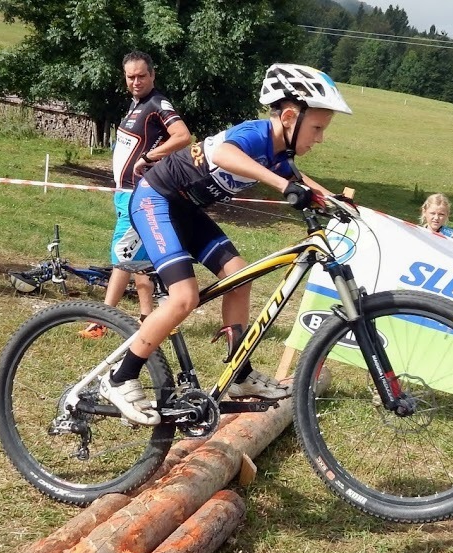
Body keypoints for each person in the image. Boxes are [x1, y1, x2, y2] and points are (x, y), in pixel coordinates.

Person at [99, 63, 352, 425]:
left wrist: (333, 200)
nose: (320, 138)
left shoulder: (279, 153)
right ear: (289, 117)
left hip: (183, 210)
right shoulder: (255, 134)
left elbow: (299, 179)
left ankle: (239, 372)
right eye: (317, 128)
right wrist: (284, 187)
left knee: (240, 276)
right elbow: (224, 155)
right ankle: (120, 378)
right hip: (155, 200)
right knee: (184, 297)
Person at [79, 50, 192, 339]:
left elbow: (183, 136)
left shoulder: (157, 103)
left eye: (142, 76)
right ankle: (147, 316)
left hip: (139, 194)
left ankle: (101, 321)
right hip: (125, 192)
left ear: (152, 75)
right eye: (131, 77)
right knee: (139, 258)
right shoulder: (135, 104)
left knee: (122, 256)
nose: (136, 81)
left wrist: (150, 157)